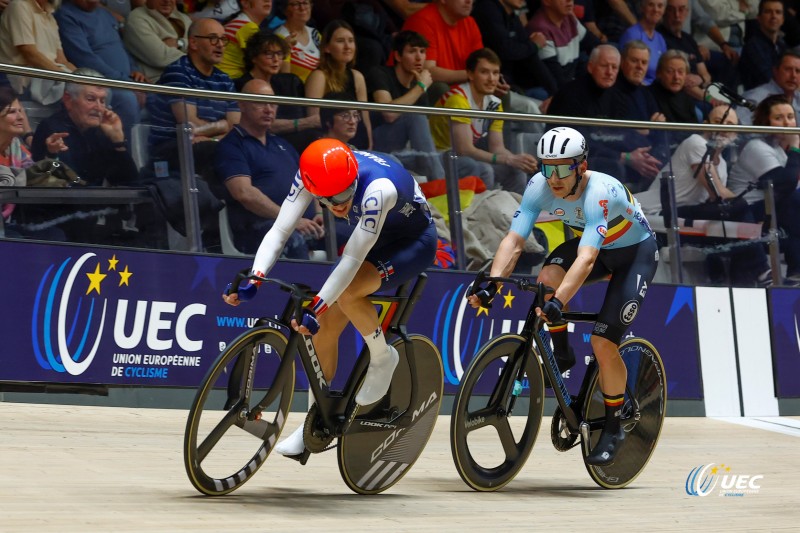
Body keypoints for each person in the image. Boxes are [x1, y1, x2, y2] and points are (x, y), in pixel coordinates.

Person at [223, 138, 438, 456]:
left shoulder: (379, 190)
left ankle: (382, 358)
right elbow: (281, 230)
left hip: (411, 241)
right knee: (321, 325)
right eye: (330, 200)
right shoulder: (310, 174)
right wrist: (256, 275)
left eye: (346, 195)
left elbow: (351, 260)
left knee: (349, 293)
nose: (339, 206)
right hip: (372, 233)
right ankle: (315, 420)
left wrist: (318, 303)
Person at [468, 126, 658, 466]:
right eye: (546, 167)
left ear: (581, 167)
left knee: (603, 343)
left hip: (633, 255)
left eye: (561, 168)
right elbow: (514, 240)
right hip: (598, 247)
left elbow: (586, 260)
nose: (552, 177)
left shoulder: (599, 191)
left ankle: (614, 427)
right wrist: (493, 284)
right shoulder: (538, 186)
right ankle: (563, 351)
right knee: (546, 280)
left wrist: (558, 303)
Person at [635, 104, 772, 286]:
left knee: (735, 225)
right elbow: (718, 194)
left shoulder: (721, 164)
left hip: (686, 219)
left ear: (736, 135)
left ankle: (737, 282)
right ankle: (761, 270)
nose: (724, 128)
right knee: (740, 209)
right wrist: (753, 216)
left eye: (730, 125)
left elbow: (717, 205)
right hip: (658, 215)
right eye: (718, 122)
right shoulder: (696, 142)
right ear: (706, 124)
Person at [214, 79, 324, 255]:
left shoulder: (282, 144)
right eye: (260, 102)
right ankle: (302, 284)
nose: (268, 109)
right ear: (241, 105)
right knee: (291, 240)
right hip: (258, 227)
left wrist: (319, 214)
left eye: (272, 103)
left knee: (355, 235)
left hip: (304, 223)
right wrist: (290, 220)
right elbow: (244, 194)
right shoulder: (231, 146)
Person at [429, 48, 539, 194]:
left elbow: (497, 147)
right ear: (470, 74)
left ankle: (516, 213)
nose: (492, 79)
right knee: (484, 169)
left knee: (516, 169)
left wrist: (516, 159)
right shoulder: (458, 100)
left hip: (463, 159)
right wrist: (507, 159)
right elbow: (464, 149)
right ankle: (477, 214)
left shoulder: (494, 103)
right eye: (484, 72)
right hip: (439, 157)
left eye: (495, 73)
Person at [147, 18, 240, 180]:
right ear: (194, 43)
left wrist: (215, 138)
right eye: (212, 38)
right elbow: (189, 124)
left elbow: (235, 126)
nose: (219, 45)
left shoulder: (224, 79)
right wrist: (221, 125)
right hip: (171, 147)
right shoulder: (178, 72)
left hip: (208, 145)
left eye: (223, 39)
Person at [727, 94, 800, 283]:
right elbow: (783, 184)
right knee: (795, 199)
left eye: (790, 117)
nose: (787, 123)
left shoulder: (780, 150)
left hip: (775, 211)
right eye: (779, 118)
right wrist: (795, 148)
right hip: (746, 213)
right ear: (765, 122)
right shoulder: (756, 147)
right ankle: (796, 269)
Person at [55, 0, 147, 138]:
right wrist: (125, 82)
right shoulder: (65, 15)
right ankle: (126, 153)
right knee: (127, 99)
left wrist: (134, 70)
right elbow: (84, 58)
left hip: (126, 79)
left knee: (162, 97)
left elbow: (120, 46)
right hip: (99, 84)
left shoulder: (104, 13)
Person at [366, 30, 445, 181]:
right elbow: (388, 113)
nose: (419, 57)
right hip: (378, 146)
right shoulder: (380, 73)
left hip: (407, 152)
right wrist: (421, 87)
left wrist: (419, 87)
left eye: (422, 52)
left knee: (468, 164)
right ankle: (441, 187)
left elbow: (423, 139)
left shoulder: (418, 86)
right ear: (397, 56)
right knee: (415, 118)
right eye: (412, 51)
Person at [233, 31, 317, 151]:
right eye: (268, 54)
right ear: (253, 57)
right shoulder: (242, 85)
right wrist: (307, 122)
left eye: (279, 53)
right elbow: (259, 124)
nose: (276, 59)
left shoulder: (290, 82)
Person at [305, 20, 373, 150]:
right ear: (327, 47)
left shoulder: (357, 76)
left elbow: (365, 120)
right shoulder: (319, 76)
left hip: (359, 147)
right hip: (331, 147)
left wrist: (369, 149)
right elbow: (315, 121)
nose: (347, 46)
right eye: (340, 41)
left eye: (351, 41)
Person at [472, 0, 558, 100]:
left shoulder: (511, 15)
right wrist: (534, 45)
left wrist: (554, 93)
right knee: (532, 107)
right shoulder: (487, 9)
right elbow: (505, 50)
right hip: (492, 86)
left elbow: (530, 56)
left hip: (512, 84)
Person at [0, 0, 77, 98]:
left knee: (93, 87)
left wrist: (84, 77)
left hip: (49, 75)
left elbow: (62, 60)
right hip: (24, 78)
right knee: (78, 93)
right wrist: (65, 78)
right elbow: (30, 53)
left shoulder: (51, 17)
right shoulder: (19, 5)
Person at [527, 0, 595, 90]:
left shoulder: (570, 18)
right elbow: (557, 78)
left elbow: (594, 43)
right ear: (546, 1)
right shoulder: (540, 29)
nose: (569, 0)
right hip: (546, 91)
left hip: (569, 83)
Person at [658, 0, 715, 103]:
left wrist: (701, 78)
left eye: (681, 9)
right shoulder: (661, 39)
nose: (677, 15)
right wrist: (712, 100)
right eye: (672, 10)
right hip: (682, 97)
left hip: (702, 94)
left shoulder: (689, 39)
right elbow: (683, 82)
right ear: (664, 11)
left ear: (687, 12)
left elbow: (706, 75)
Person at [123, 0, 193, 83]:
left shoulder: (184, 18)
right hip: (160, 82)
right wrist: (196, 58)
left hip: (191, 76)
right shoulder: (136, 18)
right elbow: (161, 57)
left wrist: (181, 43)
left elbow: (200, 46)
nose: (167, 1)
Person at [739, 50, 800, 125]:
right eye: (788, 69)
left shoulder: (798, 98)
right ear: (775, 71)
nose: (793, 75)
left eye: (798, 71)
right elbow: (742, 132)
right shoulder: (755, 98)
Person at [217, 0, 273, 79]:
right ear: (245, 3)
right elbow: (264, 63)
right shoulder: (248, 27)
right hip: (231, 79)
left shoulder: (239, 21)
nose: (267, 1)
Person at [618, 0, 669, 86]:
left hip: (656, 90)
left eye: (660, 6)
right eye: (651, 5)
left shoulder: (660, 39)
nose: (656, 9)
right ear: (642, 7)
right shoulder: (632, 34)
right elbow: (626, 72)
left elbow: (664, 71)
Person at [739, 0, 786, 90]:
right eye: (768, 12)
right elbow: (769, 79)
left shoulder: (782, 44)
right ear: (759, 18)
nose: (774, 16)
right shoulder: (753, 46)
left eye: (778, 12)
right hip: (760, 99)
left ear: (783, 19)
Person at [274, 0, 322, 82]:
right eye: (296, 4)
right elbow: (284, 78)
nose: (302, 8)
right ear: (285, 10)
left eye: (305, 3)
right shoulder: (280, 37)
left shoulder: (315, 34)